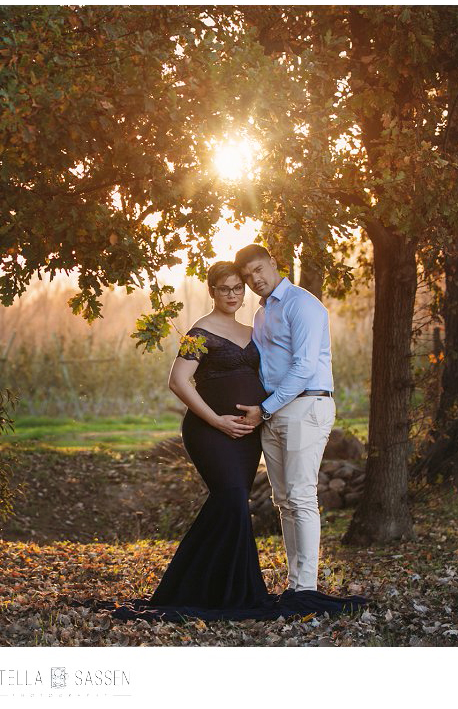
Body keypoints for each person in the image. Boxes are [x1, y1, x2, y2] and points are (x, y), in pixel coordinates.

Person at [74, 260, 365, 622]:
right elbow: (178, 381)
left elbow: (282, 367)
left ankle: (220, 587)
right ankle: (218, 589)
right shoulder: (200, 331)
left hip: (248, 433)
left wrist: (267, 411)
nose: (233, 294)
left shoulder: (255, 328)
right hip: (211, 431)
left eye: (238, 288)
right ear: (212, 291)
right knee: (231, 498)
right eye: (225, 288)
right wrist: (215, 420)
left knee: (236, 503)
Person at [232, 243, 342, 599]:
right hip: (274, 410)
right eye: (247, 276)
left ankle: (306, 588)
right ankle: (296, 585)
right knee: (284, 500)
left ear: (274, 263)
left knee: (301, 496)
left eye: (259, 270)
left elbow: (304, 366)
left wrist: (265, 408)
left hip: (306, 405)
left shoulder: (302, 304)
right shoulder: (262, 314)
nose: (255, 280)